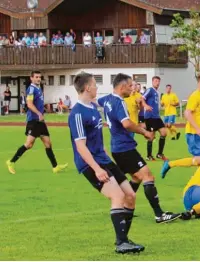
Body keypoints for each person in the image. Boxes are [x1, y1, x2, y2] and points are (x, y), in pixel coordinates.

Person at [68, 72, 144, 254]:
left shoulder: (93, 107)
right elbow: (81, 146)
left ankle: (124, 239)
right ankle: (121, 243)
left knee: (130, 196)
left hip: (104, 160)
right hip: (90, 164)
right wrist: (96, 169)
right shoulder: (77, 113)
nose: (97, 87)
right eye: (94, 84)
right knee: (117, 196)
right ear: (87, 88)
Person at [98, 73, 181, 224]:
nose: (132, 88)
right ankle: (159, 214)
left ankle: (123, 207)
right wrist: (145, 132)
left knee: (136, 177)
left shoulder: (107, 99)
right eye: (130, 86)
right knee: (148, 176)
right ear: (122, 86)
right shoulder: (119, 102)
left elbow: (95, 101)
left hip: (117, 147)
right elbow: (127, 124)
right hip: (125, 148)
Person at [6, 71, 68, 175]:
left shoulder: (38, 88)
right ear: (31, 78)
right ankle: (11, 162)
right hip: (33, 120)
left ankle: (55, 167)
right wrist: (39, 113)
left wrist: (43, 110)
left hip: (40, 121)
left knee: (48, 143)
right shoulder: (31, 89)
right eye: (36, 77)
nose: (38, 79)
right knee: (29, 144)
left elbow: (37, 103)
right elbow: (29, 104)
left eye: (39, 77)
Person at [160, 74, 200, 179]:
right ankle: (170, 164)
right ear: (198, 83)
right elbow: (187, 113)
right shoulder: (195, 96)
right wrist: (197, 128)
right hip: (192, 133)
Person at [142, 76, 168, 161]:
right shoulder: (150, 90)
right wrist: (146, 106)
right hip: (150, 117)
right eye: (156, 81)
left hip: (156, 116)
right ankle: (149, 156)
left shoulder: (157, 92)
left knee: (164, 132)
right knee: (151, 136)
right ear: (152, 82)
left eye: (158, 81)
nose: (157, 83)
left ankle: (159, 154)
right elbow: (142, 98)